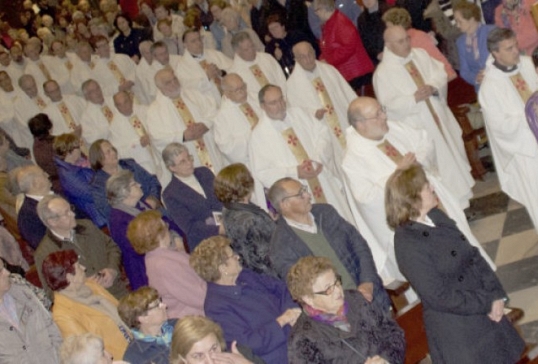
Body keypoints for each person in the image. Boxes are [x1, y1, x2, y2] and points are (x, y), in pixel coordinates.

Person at [343, 97, 495, 282]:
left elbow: (425, 140)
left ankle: (485, 284)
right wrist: (398, 172)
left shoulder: (394, 128)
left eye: (382, 110)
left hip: (434, 198)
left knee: (462, 240)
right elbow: (366, 198)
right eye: (377, 114)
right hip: (414, 222)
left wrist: (417, 161)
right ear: (360, 124)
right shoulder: (353, 159)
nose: (384, 116)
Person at [386, 164, 525, 363]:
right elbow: (439, 297)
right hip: (459, 331)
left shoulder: (436, 216)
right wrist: (486, 301)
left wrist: (496, 295)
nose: (432, 189)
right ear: (413, 198)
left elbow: (473, 256)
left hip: (484, 309)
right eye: (427, 187)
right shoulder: (407, 244)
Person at [374, 25, 474, 209]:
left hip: (438, 118)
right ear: (388, 45)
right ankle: (450, 207)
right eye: (400, 41)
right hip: (419, 126)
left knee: (452, 157)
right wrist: (413, 98)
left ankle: (464, 202)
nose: (406, 44)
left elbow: (440, 72)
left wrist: (433, 86)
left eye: (407, 38)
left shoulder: (419, 54)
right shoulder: (383, 73)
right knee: (437, 166)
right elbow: (387, 106)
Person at [267, 177, 390, 308]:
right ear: (285, 204)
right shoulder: (280, 246)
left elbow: (359, 245)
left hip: (370, 295)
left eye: (305, 190)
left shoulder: (325, 213)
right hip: (338, 314)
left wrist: (367, 282)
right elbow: (304, 289)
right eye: (300, 194)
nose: (308, 195)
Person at [249, 84, 353, 222]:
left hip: (322, 180)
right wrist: (295, 172)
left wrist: (317, 159)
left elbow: (323, 134)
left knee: (341, 218)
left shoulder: (300, 114)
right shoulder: (259, 136)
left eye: (281, 99)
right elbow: (263, 172)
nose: (280, 105)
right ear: (262, 106)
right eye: (273, 103)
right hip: (296, 193)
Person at [189, 236, 300, 364]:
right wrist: (282, 320)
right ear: (222, 268)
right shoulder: (216, 307)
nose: (238, 257)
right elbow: (249, 344)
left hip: (295, 331)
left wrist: (292, 312)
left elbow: (281, 288)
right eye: (232, 256)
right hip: (278, 354)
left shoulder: (244, 276)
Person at [286, 256, 405, 363]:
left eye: (337, 282)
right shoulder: (302, 340)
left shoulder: (356, 299)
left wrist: (385, 360)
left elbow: (393, 332)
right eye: (328, 289)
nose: (338, 290)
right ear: (308, 299)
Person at [479, 27, 538, 233]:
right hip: (526, 152)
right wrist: (529, 113)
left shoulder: (529, 65)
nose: (516, 51)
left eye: (516, 45)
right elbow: (500, 127)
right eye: (509, 48)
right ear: (495, 53)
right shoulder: (490, 87)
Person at [41, 250, 130, 360]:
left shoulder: (89, 284)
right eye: (78, 267)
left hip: (135, 344)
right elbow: (88, 354)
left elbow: (119, 308)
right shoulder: (62, 315)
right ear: (69, 277)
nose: (84, 268)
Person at [35, 194, 127, 299]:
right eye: (66, 213)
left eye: (71, 209)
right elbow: (52, 294)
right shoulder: (45, 253)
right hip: (92, 304)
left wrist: (112, 270)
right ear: (52, 222)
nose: (73, 214)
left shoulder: (87, 226)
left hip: (118, 292)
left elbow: (112, 247)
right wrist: (84, 286)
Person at [128, 210, 207, 319]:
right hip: (197, 318)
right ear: (158, 235)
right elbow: (201, 298)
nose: (168, 227)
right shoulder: (163, 265)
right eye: (164, 225)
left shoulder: (158, 256)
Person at [146, 68, 223, 173]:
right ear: (160, 88)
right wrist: (183, 136)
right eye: (168, 82)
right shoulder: (154, 111)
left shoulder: (193, 94)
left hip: (210, 150)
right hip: (187, 159)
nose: (174, 84)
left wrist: (205, 125)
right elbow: (157, 139)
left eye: (175, 79)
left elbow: (213, 110)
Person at [286, 41, 356, 152]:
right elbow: (296, 114)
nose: (308, 59)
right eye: (303, 57)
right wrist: (313, 114)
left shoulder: (329, 70)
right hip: (323, 128)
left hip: (343, 121)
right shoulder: (292, 85)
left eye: (310, 54)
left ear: (314, 52)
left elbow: (347, 93)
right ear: (296, 60)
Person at [214, 163, 275, 275]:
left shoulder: (228, 209)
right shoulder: (251, 220)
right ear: (247, 184)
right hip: (272, 277)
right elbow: (267, 257)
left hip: (251, 273)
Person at [162, 142, 223, 251]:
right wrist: (219, 229)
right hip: (205, 244)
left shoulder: (205, 172)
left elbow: (223, 198)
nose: (189, 163)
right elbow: (190, 227)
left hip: (228, 228)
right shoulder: (170, 194)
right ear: (172, 167)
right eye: (183, 162)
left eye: (189, 157)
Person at [0, 257, 63, 364]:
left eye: (4, 267)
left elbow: (52, 328)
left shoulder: (23, 293)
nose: (7, 272)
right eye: (0, 271)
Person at [89, 139, 162, 224]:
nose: (113, 153)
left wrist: (152, 199)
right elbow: (108, 212)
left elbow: (152, 181)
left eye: (113, 149)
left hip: (154, 210)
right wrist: (139, 211)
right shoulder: (97, 185)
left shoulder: (129, 164)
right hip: (132, 223)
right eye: (108, 152)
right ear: (98, 159)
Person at [381, 7, 457, 82]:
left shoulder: (415, 38)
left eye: (388, 26)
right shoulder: (417, 34)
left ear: (396, 25)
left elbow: (437, 59)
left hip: (442, 79)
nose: (387, 30)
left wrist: (448, 74)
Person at [313, 0, 374, 91]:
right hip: (349, 73)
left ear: (323, 9)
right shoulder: (331, 22)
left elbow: (349, 47)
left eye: (316, 10)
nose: (316, 14)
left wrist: (328, 60)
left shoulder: (340, 22)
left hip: (356, 74)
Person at [118, 286, 177, 364]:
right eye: (157, 305)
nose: (164, 305)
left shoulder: (178, 325)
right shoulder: (134, 356)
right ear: (143, 318)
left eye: (160, 301)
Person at [175, 28, 233, 106]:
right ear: (185, 45)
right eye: (193, 41)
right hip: (209, 105)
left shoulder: (215, 54)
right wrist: (207, 77)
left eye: (199, 39)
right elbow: (188, 88)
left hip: (231, 97)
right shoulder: (182, 67)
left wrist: (221, 73)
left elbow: (234, 68)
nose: (198, 43)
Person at [214, 73, 261, 166]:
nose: (242, 92)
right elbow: (228, 148)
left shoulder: (256, 97)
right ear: (227, 93)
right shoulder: (221, 117)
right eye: (237, 90)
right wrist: (252, 133)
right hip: (252, 163)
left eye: (243, 87)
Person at [111, 91, 161, 178]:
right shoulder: (114, 127)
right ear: (116, 107)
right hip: (143, 164)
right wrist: (138, 144)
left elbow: (160, 126)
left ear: (131, 99)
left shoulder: (145, 110)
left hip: (159, 153)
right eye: (120, 104)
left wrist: (150, 136)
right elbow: (119, 153)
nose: (124, 106)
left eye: (126, 101)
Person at [170, 315, 260, 363]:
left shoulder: (241, 355)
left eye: (213, 349)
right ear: (183, 359)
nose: (210, 361)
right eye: (198, 356)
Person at [229, 31, 287, 96]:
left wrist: (283, 96)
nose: (251, 50)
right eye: (246, 49)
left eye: (252, 46)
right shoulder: (234, 74)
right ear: (237, 52)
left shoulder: (267, 58)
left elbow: (281, 78)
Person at [454, 2, 496, 90]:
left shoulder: (492, 31)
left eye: (460, 21)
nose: (457, 25)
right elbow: (464, 71)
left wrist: (491, 72)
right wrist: (476, 78)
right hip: (482, 86)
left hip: (499, 79)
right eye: (456, 21)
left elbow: (504, 57)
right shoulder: (460, 42)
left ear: (472, 19)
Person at [16, 165, 52, 249]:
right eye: (43, 174)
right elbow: (44, 247)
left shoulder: (57, 194)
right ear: (36, 183)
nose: (47, 175)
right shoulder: (28, 217)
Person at [28, 113, 62, 193]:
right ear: (48, 127)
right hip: (64, 180)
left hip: (54, 183)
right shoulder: (54, 143)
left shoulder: (36, 146)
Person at [80, 79, 116, 145]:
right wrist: (109, 127)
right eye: (92, 91)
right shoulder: (86, 116)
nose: (97, 92)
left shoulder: (113, 100)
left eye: (98, 88)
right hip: (110, 144)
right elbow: (90, 138)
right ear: (87, 96)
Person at [357, 0, 389, 65]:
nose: (367, 1)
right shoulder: (361, 19)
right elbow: (365, 41)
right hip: (376, 59)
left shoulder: (388, 11)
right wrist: (376, 54)